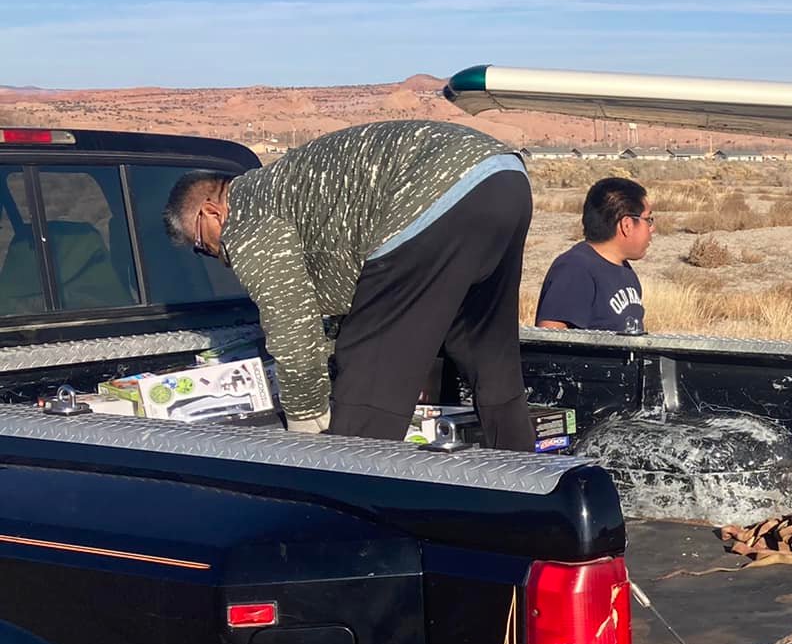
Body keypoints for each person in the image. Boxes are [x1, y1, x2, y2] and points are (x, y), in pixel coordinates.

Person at [164, 120, 535, 450]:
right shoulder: (282, 188)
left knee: (368, 362)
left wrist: (305, 421)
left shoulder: (247, 217)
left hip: (434, 188)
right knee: (485, 349)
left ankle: (354, 498)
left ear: (211, 211)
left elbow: (293, 328)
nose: (213, 252)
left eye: (202, 244)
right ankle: (525, 479)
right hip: (504, 176)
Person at [534, 178, 653, 334]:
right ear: (627, 225)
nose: (652, 228)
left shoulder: (626, 271)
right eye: (648, 220)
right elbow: (549, 341)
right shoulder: (575, 269)